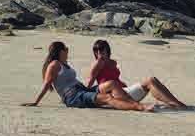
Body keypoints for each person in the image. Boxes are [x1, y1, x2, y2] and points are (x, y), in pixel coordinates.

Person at [23, 41, 153, 111]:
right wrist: (36, 102)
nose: (68, 51)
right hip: (73, 96)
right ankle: (138, 107)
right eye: (66, 49)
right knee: (107, 98)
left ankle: (132, 103)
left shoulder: (64, 63)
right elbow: (47, 84)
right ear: (61, 51)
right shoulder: (54, 64)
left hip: (81, 90)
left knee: (113, 83)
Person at [87, 39, 187, 109]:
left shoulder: (113, 62)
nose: (99, 52)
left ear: (107, 50)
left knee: (153, 80)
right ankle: (176, 104)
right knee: (150, 81)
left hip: (124, 91)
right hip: (115, 95)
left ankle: (175, 102)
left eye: (101, 49)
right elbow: (90, 83)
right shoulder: (98, 63)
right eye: (96, 50)